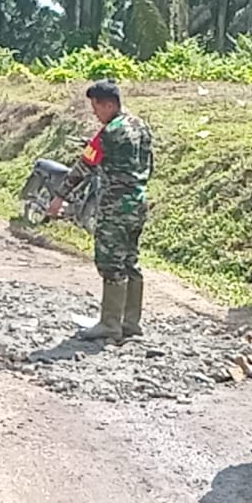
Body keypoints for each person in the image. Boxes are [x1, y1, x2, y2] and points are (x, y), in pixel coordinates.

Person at [47, 81, 154, 342]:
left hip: (114, 206)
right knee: (131, 260)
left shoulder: (109, 133)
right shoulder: (142, 126)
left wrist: (60, 196)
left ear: (109, 104)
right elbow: (150, 164)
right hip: (138, 202)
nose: (95, 113)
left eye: (96, 107)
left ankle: (109, 324)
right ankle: (130, 322)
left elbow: (85, 165)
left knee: (110, 263)